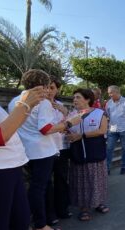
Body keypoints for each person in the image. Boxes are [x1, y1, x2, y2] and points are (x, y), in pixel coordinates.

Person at [9, 69, 81, 230]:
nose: (49, 90)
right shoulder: (43, 103)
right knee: (39, 188)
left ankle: (34, 221)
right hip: (42, 151)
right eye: (48, 86)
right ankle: (41, 226)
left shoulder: (14, 101)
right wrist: (70, 122)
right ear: (42, 85)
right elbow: (46, 129)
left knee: (35, 187)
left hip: (25, 151)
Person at [0, 86, 44, 230]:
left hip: (12, 167)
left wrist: (28, 105)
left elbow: (11, 125)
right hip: (1, 171)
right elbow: (0, 136)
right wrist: (24, 104)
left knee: (20, 221)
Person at [67, 88, 109, 221]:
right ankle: (84, 208)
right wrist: (69, 135)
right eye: (74, 98)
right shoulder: (71, 115)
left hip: (95, 151)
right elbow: (66, 131)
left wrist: (82, 136)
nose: (75, 100)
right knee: (81, 182)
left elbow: (102, 130)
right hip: (78, 153)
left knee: (96, 180)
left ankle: (98, 203)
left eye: (78, 97)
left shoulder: (99, 113)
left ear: (88, 99)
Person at [47, 76, 73, 220]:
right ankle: (50, 214)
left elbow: (67, 125)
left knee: (61, 179)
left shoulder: (60, 105)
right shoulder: (38, 105)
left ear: (57, 90)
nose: (49, 91)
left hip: (61, 147)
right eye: (47, 88)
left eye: (52, 88)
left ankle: (62, 209)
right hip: (45, 149)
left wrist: (65, 113)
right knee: (46, 183)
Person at [105, 85, 125, 175]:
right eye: (109, 93)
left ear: (117, 92)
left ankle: (123, 167)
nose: (109, 95)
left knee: (124, 148)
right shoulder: (108, 103)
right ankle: (107, 168)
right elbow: (107, 114)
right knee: (109, 148)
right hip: (112, 129)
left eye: (111, 93)